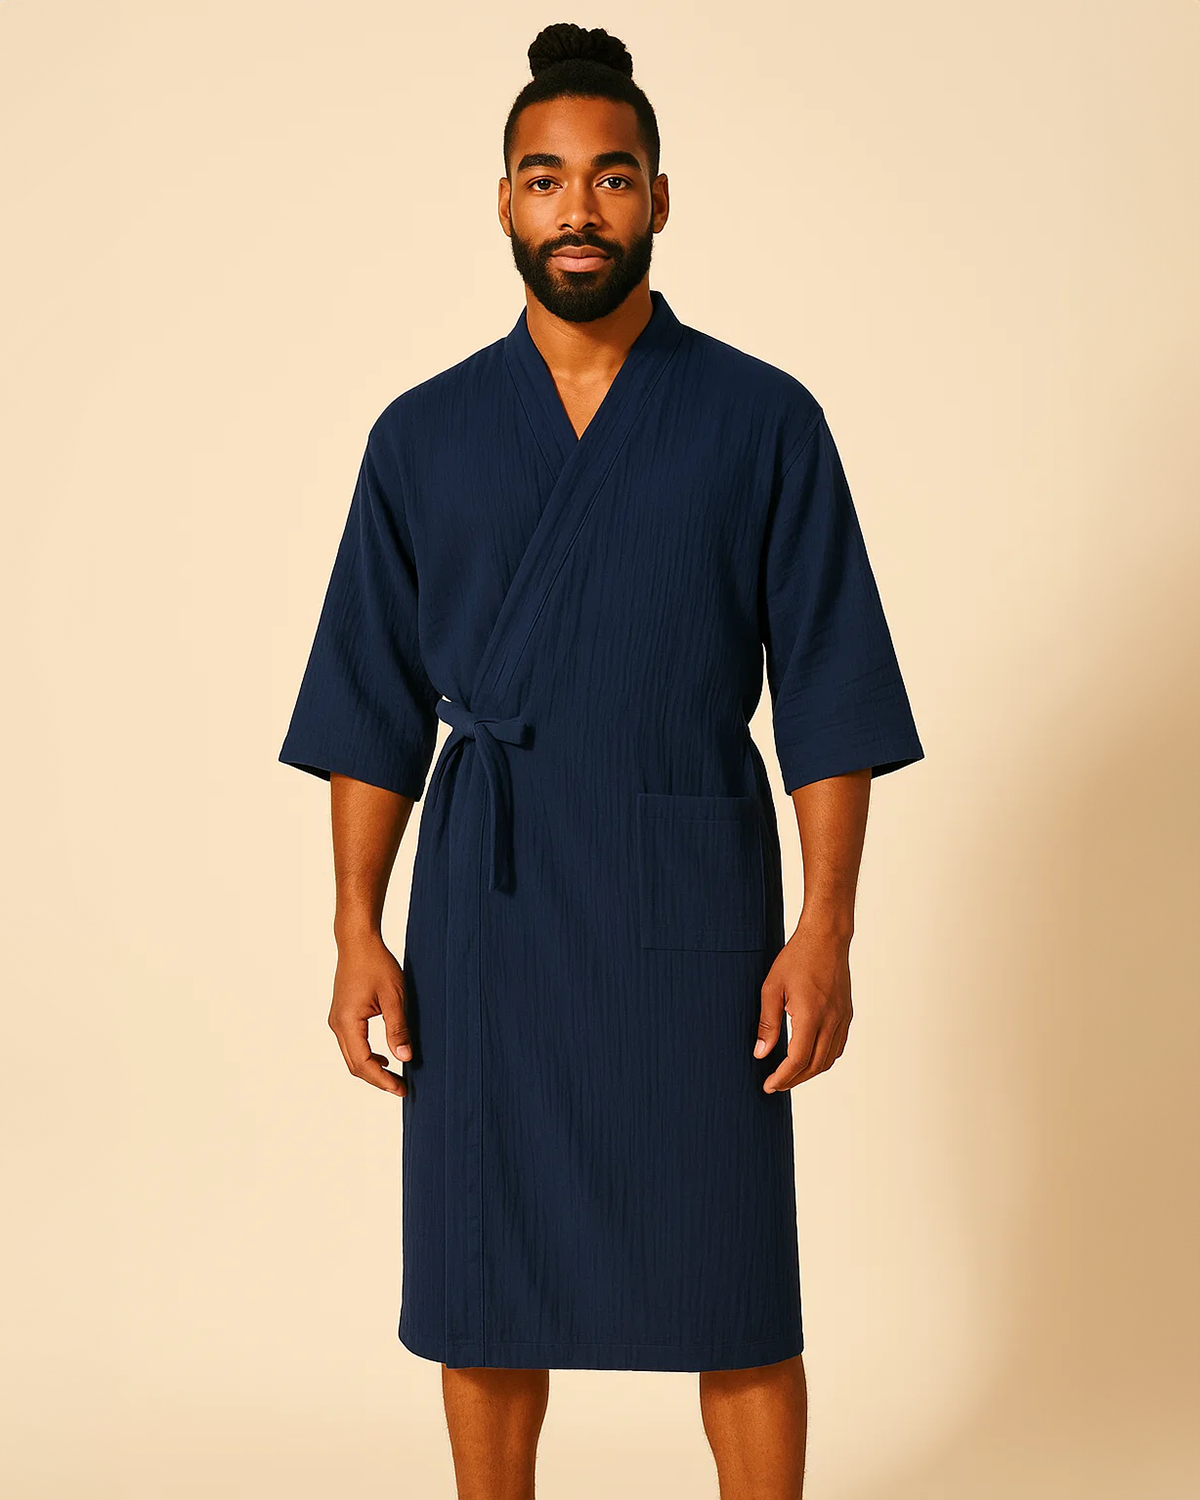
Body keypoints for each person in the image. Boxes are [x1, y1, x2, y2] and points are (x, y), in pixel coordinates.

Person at [278, 21, 924, 1499]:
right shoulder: (423, 435)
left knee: (734, 1282)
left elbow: (830, 695)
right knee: (483, 1283)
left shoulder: (762, 419)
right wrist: (356, 928)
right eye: (547, 178)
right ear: (504, 201)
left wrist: (824, 927)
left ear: (660, 199)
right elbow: (371, 706)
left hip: (690, 906)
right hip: (489, 916)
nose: (580, 208)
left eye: (612, 177)